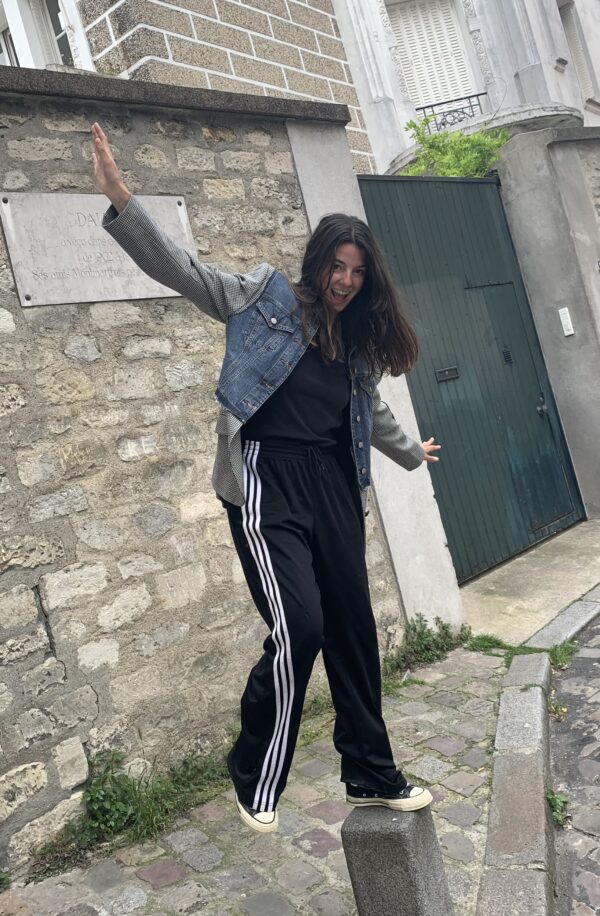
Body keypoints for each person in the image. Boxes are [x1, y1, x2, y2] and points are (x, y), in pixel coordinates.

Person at [91, 122, 441, 834]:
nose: (345, 280)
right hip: (266, 478)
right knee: (301, 625)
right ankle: (255, 765)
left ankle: (371, 773)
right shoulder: (264, 298)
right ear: (317, 263)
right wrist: (124, 203)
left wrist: (410, 452)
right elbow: (186, 272)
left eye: (357, 271)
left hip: (335, 486)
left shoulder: (357, 343)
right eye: (337, 266)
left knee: (352, 629)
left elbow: (365, 410)